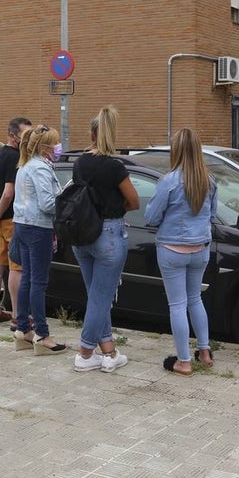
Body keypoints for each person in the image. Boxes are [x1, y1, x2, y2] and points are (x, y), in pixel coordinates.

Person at [71, 106, 140, 373]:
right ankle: (85, 353)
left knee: (96, 295)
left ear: (91, 134)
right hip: (109, 234)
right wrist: (117, 206)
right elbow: (133, 200)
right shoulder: (114, 166)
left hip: (82, 234)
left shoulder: (80, 162)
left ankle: (108, 350)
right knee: (101, 297)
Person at [144, 127, 218, 376]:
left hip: (172, 249)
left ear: (175, 150)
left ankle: (184, 361)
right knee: (195, 299)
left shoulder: (169, 181)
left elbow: (152, 217)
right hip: (200, 249)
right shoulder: (209, 180)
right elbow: (213, 214)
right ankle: (205, 352)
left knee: (177, 304)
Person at [11, 124, 67, 355]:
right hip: (38, 228)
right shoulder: (41, 169)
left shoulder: (24, 165)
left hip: (22, 224)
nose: (58, 147)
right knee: (38, 283)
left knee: (27, 279)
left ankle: (23, 329)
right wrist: (65, 198)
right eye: (55, 143)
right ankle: (42, 334)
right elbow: (47, 204)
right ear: (45, 148)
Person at [0, 116, 33, 327]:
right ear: (13, 135)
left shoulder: (0, 154)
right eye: (25, 135)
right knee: (16, 268)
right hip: (12, 220)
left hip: (2, 220)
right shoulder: (14, 157)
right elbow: (9, 192)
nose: (28, 139)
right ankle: (17, 315)